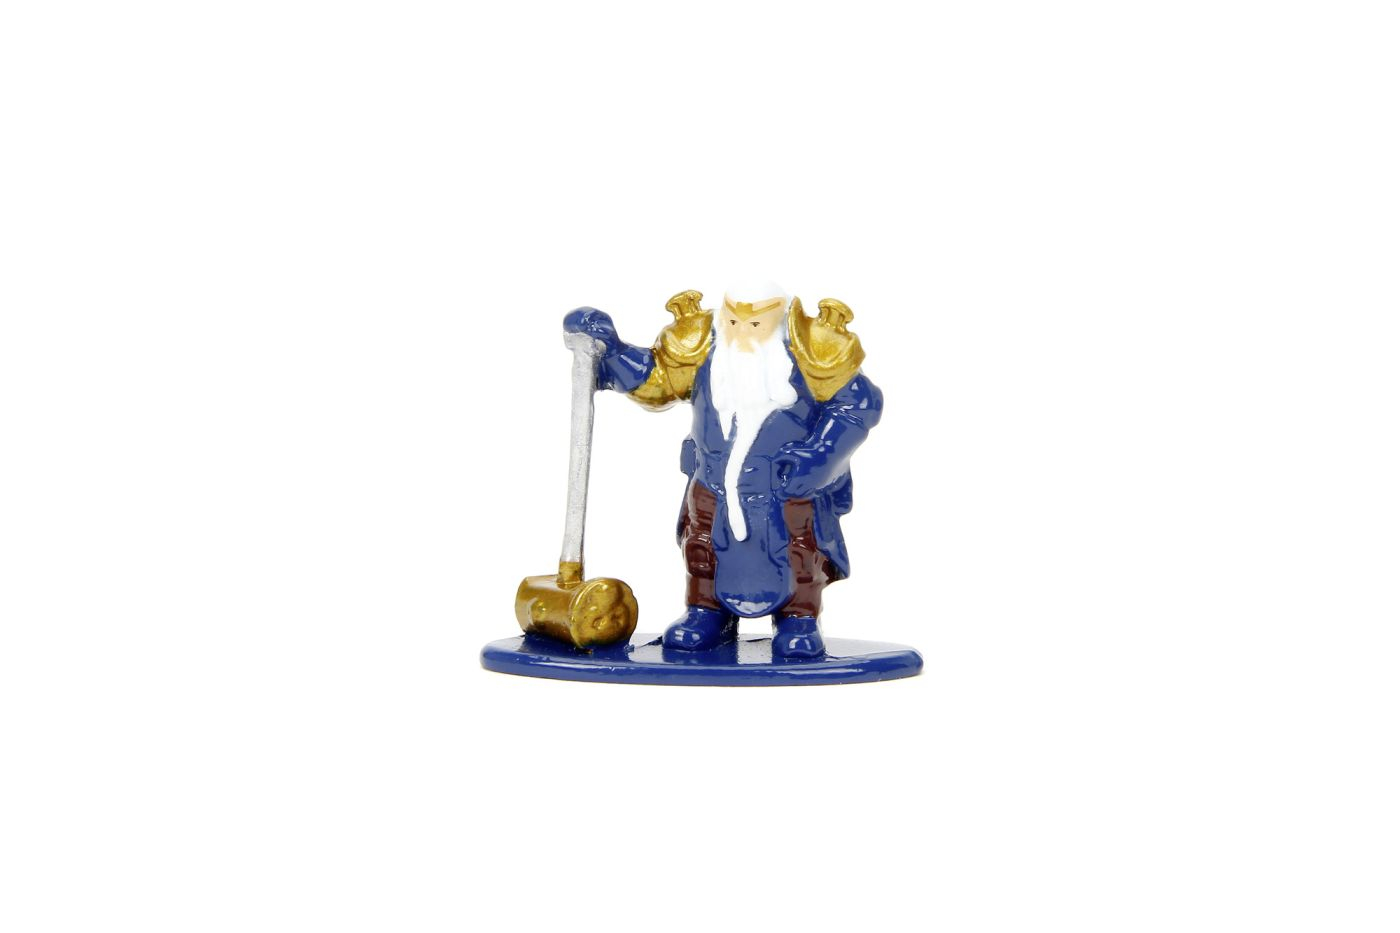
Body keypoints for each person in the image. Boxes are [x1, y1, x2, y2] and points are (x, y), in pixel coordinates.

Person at [562, 280, 882, 658]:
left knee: (800, 549)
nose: (742, 333)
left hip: (785, 484)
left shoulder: (814, 352)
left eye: (755, 324)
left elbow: (858, 405)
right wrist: (611, 350)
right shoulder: (703, 351)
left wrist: (820, 454)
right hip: (712, 480)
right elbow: (655, 380)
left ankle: (799, 617)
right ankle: (706, 612)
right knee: (702, 545)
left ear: (779, 319)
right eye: (733, 322)